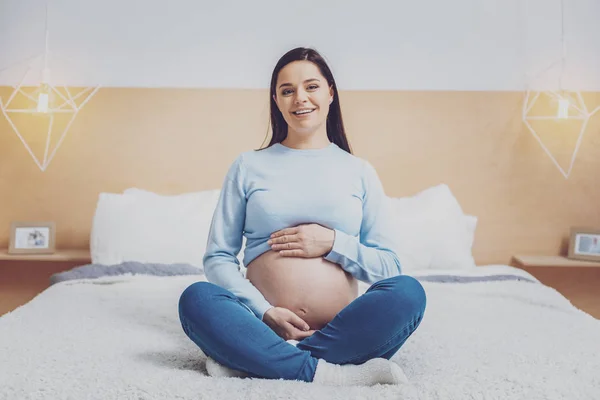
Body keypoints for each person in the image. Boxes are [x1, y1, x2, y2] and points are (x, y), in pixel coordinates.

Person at [178, 47, 427, 386]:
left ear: (330, 93)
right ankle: (326, 373)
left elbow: (389, 267)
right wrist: (264, 310)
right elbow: (218, 257)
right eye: (287, 90)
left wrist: (333, 243)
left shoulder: (359, 172)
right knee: (196, 298)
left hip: (340, 333)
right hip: (259, 324)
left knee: (409, 293)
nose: (300, 98)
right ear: (277, 101)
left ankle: (257, 360)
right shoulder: (248, 166)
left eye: (311, 86)